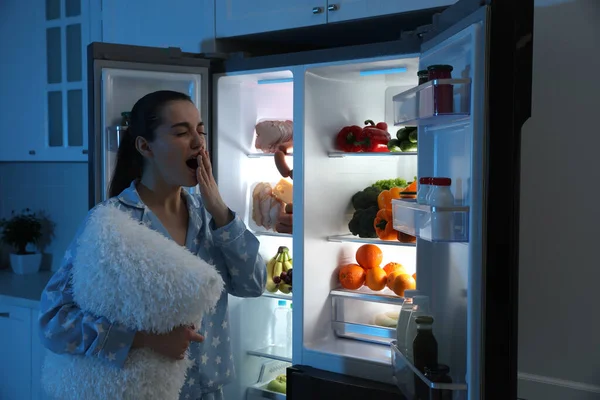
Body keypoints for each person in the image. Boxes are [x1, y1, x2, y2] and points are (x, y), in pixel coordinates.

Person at [38, 90, 266, 400]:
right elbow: (54, 323)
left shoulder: (208, 216)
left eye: (200, 130)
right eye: (181, 133)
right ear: (145, 146)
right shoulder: (111, 223)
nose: (199, 143)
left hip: (209, 392)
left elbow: (253, 284)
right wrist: (143, 339)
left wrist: (221, 211)